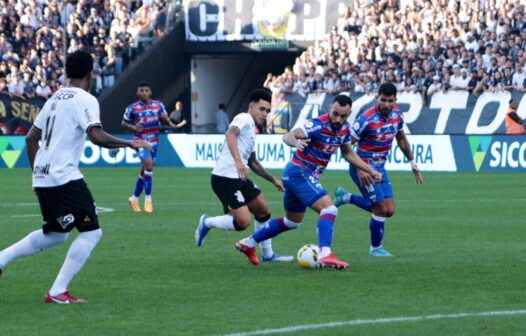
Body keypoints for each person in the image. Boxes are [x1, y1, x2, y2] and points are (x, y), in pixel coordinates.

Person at [0, 50, 151, 304]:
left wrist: (36, 174)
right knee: (92, 232)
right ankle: (58, 291)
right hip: (63, 176)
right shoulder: (85, 99)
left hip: (45, 176)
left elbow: (30, 138)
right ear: (90, 74)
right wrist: (130, 143)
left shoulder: (54, 98)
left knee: (57, 234)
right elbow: (97, 136)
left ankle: (2, 258)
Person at [235, 95, 382, 269]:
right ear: (330, 108)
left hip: (296, 176)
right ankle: (326, 253)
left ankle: (248, 243)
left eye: (343, 116)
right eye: (335, 113)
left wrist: (370, 170)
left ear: (349, 114)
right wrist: (296, 142)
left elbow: (348, 153)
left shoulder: (344, 129)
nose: (338, 119)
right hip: (299, 172)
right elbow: (289, 136)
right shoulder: (317, 124)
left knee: (292, 222)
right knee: (330, 208)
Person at [195, 89, 293, 263]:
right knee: (243, 223)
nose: (265, 114)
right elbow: (230, 133)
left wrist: (273, 180)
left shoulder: (252, 130)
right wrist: (239, 161)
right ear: (251, 106)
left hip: (239, 177)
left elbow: (253, 161)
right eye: (262, 109)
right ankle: (207, 222)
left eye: (268, 111)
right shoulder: (243, 118)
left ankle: (268, 255)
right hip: (224, 178)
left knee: (263, 210)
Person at [333, 83, 424, 257]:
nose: (386, 104)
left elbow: (402, 139)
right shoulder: (366, 119)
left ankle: (345, 197)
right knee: (380, 208)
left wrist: (412, 162)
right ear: (377, 98)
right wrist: (361, 169)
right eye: (383, 100)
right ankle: (375, 248)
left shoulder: (397, 115)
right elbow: (346, 147)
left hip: (380, 169)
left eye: (390, 101)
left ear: (395, 100)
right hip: (363, 169)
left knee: (389, 210)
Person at [122, 83, 186, 213]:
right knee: (149, 166)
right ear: (138, 93)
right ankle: (148, 200)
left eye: (146, 90)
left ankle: (134, 198)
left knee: (144, 171)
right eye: (142, 90)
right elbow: (123, 122)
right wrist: (133, 127)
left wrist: (169, 123)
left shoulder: (159, 105)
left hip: (154, 141)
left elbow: (165, 119)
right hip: (140, 141)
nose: (144, 93)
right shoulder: (132, 108)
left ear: (150, 92)